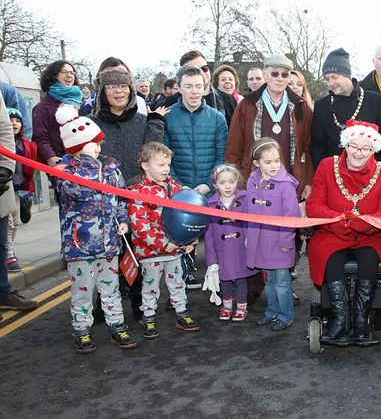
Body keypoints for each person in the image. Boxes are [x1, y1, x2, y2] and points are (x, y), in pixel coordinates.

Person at [306, 120, 381, 346]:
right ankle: (339, 320)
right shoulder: (327, 166)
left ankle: (360, 323)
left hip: (370, 234)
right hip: (332, 232)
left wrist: (359, 224)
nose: (359, 153)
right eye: (354, 146)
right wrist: (341, 223)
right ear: (346, 145)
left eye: (366, 148)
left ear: (373, 149)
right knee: (332, 259)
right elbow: (314, 206)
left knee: (369, 260)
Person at [53, 104, 136, 353]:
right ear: (77, 145)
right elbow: (77, 191)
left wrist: (123, 219)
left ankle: (116, 326)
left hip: (109, 242)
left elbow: (119, 197)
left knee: (111, 289)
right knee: (82, 292)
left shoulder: (111, 168)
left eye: (99, 143)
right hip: (80, 245)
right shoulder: (64, 170)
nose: (98, 148)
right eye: (92, 143)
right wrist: (88, 162)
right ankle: (81, 329)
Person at [129, 142, 201, 338]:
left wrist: (188, 240)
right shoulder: (138, 191)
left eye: (168, 164)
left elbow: (187, 215)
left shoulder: (174, 186)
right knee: (150, 287)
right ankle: (149, 318)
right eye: (161, 165)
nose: (166, 169)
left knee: (178, 283)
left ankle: (181, 314)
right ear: (145, 166)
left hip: (175, 248)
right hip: (151, 252)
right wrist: (163, 244)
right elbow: (140, 226)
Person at [224, 54, 313, 197]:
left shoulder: (301, 107)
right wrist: (234, 178)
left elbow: (308, 148)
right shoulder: (247, 105)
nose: (280, 78)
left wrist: (308, 181)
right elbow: (234, 147)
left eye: (285, 74)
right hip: (254, 179)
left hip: (290, 181)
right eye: (275, 73)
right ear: (265, 74)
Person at [245, 138, 301, 331]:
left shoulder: (285, 184)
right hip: (260, 240)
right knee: (268, 282)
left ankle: (285, 315)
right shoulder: (252, 180)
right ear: (257, 163)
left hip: (279, 242)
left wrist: (285, 240)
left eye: (277, 160)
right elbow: (248, 210)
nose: (274, 166)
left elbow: (291, 215)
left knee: (282, 283)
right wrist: (248, 235)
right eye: (268, 162)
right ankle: (272, 312)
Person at [311, 48, 381, 169]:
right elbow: (317, 146)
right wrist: (325, 174)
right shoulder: (322, 106)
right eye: (327, 79)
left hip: (371, 175)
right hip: (334, 177)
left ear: (347, 74)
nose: (331, 83)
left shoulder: (375, 101)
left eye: (334, 77)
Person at [93, 66, 167, 183]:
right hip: (104, 194)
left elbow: (154, 157)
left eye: (123, 85)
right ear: (103, 92)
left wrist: (156, 121)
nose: (118, 90)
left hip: (139, 194)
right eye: (111, 86)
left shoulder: (144, 122)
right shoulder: (91, 124)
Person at [0, 94, 38, 313]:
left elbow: (4, 129)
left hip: (3, 186)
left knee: (1, 242)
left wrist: (6, 168)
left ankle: (3, 292)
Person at [164, 64, 227, 195]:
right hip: (177, 192)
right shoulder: (167, 117)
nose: (194, 91)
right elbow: (162, 157)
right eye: (188, 86)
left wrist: (210, 184)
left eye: (199, 86)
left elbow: (222, 156)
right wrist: (178, 185)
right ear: (179, 88)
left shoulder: (217, 118)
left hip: (210, 193)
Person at [204, 164, 253, 321]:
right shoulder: (210, 204)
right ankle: (226, 306)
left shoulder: (245, 199)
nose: (227, 186)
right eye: (222, 182)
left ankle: (242, 307)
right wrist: (211, 261)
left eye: (231, 182)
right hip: (222, 249)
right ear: (215, 184)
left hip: (240, 247)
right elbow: (209, 235)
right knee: (224, 278)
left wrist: (247, 237)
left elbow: (251, 222)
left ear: (237, 181)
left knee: (240, 278)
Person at [164, 50, 234, 128]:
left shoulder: (227, 99)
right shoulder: (172, 101)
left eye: (204, 68)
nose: (201, 73)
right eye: (193, 70)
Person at [32, 60, 82, 169]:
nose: (69, 75)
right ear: (54, 76)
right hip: (60, 163)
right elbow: (40, 137)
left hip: (81, 160)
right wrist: (50, 157)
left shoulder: (78, 102)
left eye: (72, 73)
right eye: (64, 72)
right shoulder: (42, 108)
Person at [5, 108, 36, 271]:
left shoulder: (25, 144)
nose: (14, 123)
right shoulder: (4, 143)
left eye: (17, 121)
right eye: (11, 120)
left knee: (16, 221)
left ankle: (9, 248)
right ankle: (8, 252)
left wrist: (28, 190)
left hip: (18, 189)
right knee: (9, 222)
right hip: (4, 187)